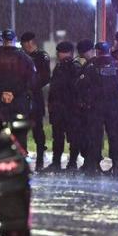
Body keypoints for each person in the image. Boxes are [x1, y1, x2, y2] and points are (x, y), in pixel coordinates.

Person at [75, 41, 118, 175]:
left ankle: (93, 165)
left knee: (95, 137)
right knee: (115, 137)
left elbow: (79, 85)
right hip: (114, 107)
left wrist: (86, 99)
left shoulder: (91, 67)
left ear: (97, 52)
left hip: (96, 107)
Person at [0, 29, 36, 149]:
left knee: (0, 132)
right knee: (20, 133)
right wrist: (14, 93)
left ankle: (2, 159)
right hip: (19, 101)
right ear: (15, 39)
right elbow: (30, 81)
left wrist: (1, 93)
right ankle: (20, 159)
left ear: (3, 40)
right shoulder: (26, 58)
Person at [20, 31, 51, 171]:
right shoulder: (21, 56)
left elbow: (45, 77)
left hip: (35, 96)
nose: (23, 46)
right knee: (21, 129)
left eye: (24, 44)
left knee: (37, 129)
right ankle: (23, 160)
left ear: (29, 43)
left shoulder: (41, 56)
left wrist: (31, 85)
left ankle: (39, 161)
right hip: (22, 97)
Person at [46, 41, 78, 173]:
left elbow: (76, 89)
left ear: (69, 53)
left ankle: (72, 163)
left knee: (73, 137)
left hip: (71, 109)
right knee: (58, 137)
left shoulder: (75, 67)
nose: (59, 55)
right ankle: (56, 162)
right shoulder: (58, 68)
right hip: (58, 109)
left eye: (61, 52)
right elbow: (53, 89)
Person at [68, 39, 96, 169]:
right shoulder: (89, 65)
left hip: (90, 107)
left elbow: (82, 85)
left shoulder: (91, 66)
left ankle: (91, 162)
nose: (82, 55)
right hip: (89, 106)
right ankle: (90, 162)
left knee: (90, 136)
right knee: (88, 135)